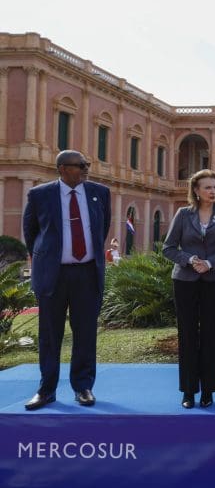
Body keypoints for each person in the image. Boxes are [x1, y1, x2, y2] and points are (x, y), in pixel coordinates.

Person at [22, 150, 111, 410]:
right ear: (62, 169)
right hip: (53, 275)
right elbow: (32, 234)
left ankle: (83, 387)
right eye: (79, 165)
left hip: (86, 273)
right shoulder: (40, 195)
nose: (85, 169)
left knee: (85, 333)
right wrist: (47, 259)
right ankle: (46, 389)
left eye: (87, 164)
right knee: (50, 335)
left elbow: (101, 229)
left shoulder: (99, 193)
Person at [162, 169, 215, 409]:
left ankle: (208, 390)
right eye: (207, 187)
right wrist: (190, 259)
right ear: (196, 190)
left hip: (213, 281)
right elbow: (168, 248)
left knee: (212, 334)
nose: (213, 192)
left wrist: (210, 263)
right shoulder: (183, 214)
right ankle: (188, 391)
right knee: (187, 335)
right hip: (185, 281)